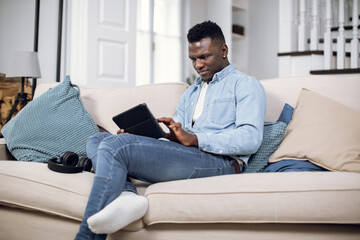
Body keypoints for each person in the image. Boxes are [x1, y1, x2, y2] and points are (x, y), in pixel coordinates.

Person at [75, 20, 266, 240]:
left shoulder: (245, 85)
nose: (198, 65)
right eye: (193, 59)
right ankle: (127, 196)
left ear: (223, 51)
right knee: (97, 139)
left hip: (222, 162)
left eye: (204, 57)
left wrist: (195, 139)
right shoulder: (191, 93)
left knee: (114, 146)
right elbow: (177, 140)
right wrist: (165, 136)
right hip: (188, 156)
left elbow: (251, 138)